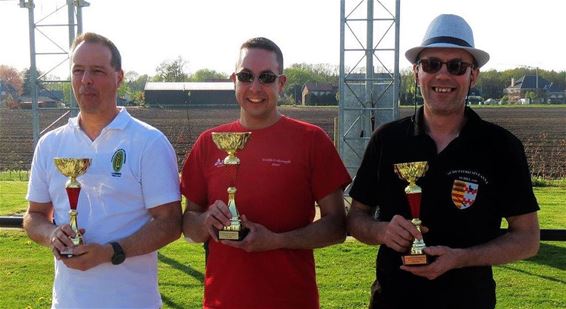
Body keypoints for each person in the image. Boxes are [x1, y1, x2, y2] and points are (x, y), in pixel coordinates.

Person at [346, 14, 540, 309]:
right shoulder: (387, 139)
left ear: (473, 75)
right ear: (416, 72)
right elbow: (356, 217)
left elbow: (527, 239)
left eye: (457, 66)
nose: (443, 75)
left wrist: (462, 258)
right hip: (392, 300)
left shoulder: (502, 146)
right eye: (432, 64)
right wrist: (380, 231)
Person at [181, 37, 351, 309]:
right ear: (234, 80)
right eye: (246, 76)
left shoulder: (311, 140)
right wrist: (204, 223)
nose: (255, 87)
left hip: (292, 300)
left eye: (266, 77)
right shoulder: (208, 142)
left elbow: (337, 227)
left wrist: (276, 241)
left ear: (281, 83)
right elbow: (188, 223)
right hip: (222, 302)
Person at [24, 32, 182, 308]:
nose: (86, 80)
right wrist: (51, 234)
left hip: (133, 302)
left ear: (119, 77)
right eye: (78, 70)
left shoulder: (149, 142)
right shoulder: (51, 144)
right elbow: (34, 215)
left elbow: (170, 223)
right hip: (67, 302)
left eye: (97, 71)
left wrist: (111, 252)